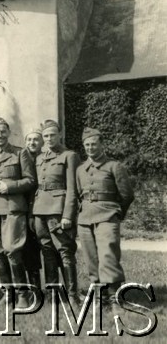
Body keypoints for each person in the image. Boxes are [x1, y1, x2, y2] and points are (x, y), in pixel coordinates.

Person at [0, 115, 36, 307]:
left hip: (13, 208)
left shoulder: (21, 153)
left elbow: (30, 180)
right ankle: (8, 294)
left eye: (3, 131)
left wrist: (10, 186)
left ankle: (22, 294)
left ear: (9, 133)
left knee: (12, 249)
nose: (0, 135)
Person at [76, 127, 134, 310]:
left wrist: (117, 214)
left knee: (108, 256)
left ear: (102, 145)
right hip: (85, 219)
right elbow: (79, 194)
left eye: (94, 144)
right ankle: (100, 298)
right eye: (87, 145)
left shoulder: (114, 166)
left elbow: (127, 195)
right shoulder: (80, 169)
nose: (91, 148)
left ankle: (115, 298)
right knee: (91, 259)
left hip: (108, 216)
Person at [32, 119, 80, 305]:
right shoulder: (39, 157)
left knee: (65, 251)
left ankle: (73, 294)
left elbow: (72, 189)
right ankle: (53, 294)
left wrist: (68, 214)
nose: (49, 138)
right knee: (47, 251)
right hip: (39, 210)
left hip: (58, 210)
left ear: (60, 134)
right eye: (46, 136)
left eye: (53, 135)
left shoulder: (69, 156)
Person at [22, 127, 44, 289]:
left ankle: (55, 288)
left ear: (42, 142)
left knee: (50, 250)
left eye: (36, 139)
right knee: (29, 250)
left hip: (44, 208)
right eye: (29, 139)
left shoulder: (45, 158)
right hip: (25, 209)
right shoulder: (21, 158)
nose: (32, 142)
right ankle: (34, 288)